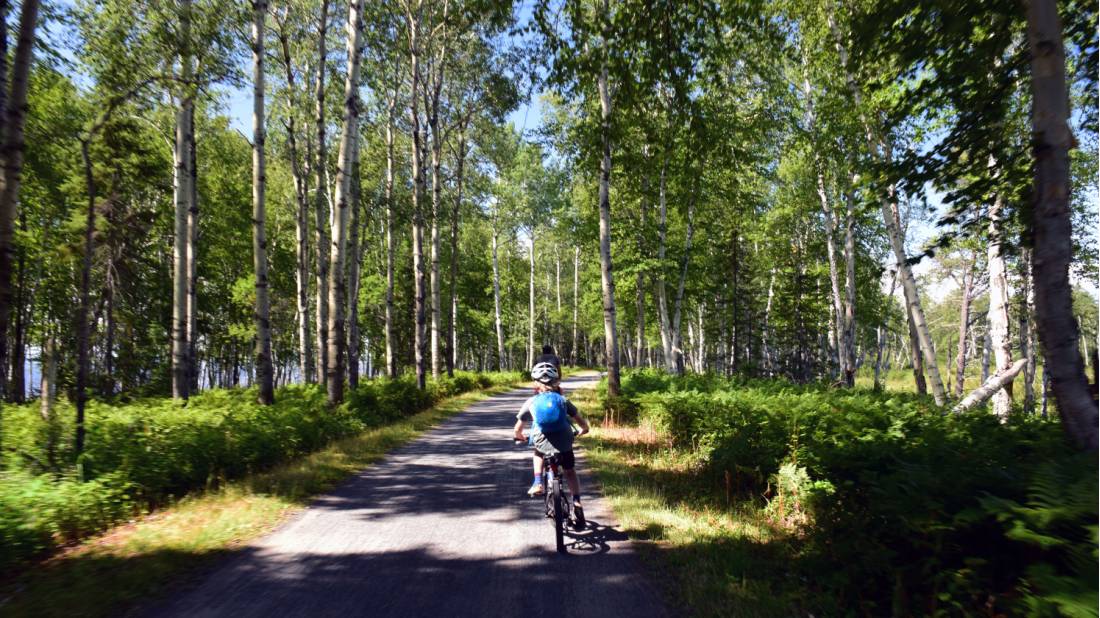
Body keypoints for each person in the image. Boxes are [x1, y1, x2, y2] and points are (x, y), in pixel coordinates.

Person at [513, 362, 590, 528]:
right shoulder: (563, 400)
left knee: (538, 451)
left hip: (542, 440)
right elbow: (580, 421)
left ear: (535, 383)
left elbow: (517, 430)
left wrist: (520, 437)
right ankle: (577, 502)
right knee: (569, 471)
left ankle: (538, 482)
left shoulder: (531, 402)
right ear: (557, 382)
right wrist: (584, 430)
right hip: (564, 440)